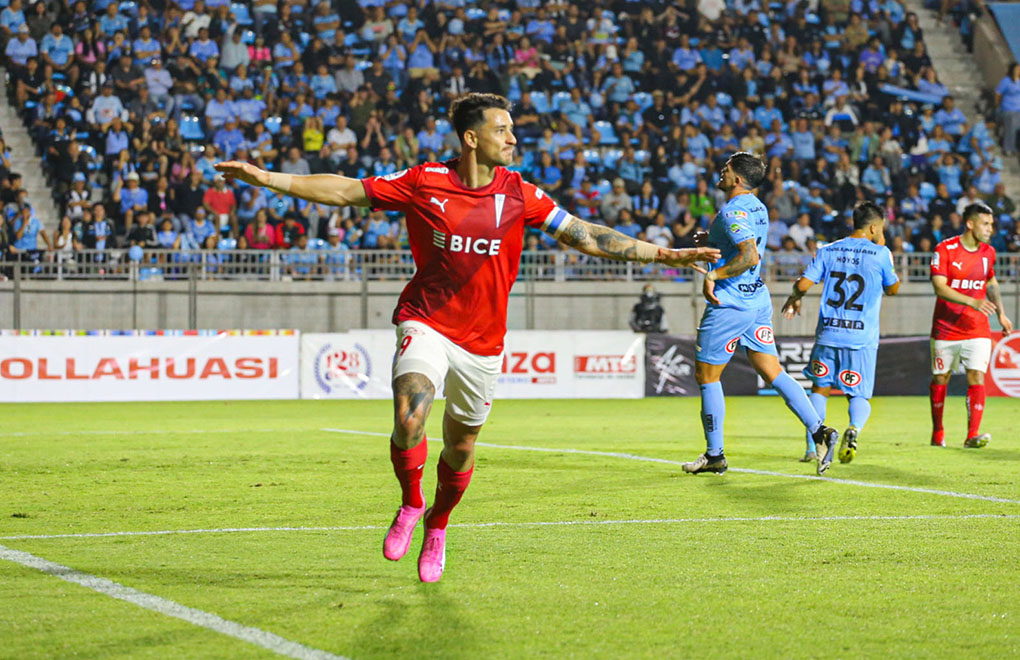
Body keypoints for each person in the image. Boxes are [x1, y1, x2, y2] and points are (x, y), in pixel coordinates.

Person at [215, 93, 719, 583]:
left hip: (483, 342)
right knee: (410, 416)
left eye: (513, 130)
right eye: (503, 130)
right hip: (426, 319)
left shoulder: (520, 193)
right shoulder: (424, 181)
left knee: (460, 445)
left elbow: (586, 235)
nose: (513, 138)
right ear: (471, 138)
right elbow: (344, 190)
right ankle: (412, 503)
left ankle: (438, 522)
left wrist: (666, 255)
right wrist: (267, 179)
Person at [682, 152, 840, 477]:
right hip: (756, 299)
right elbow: (744, 242)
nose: (721, 172)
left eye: (725, 169)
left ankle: (715, 455)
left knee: (707, 377)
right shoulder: (757, 206)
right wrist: (709, 242)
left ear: (737, 179)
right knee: (773, 372)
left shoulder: (733, 209)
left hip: (731, 303)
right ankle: (820, 431)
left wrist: (714, 275)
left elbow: (750, 255)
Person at [781, 201, 901, 464]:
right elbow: (892, 289)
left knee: (820, 388)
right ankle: (854, 428)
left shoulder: (828, 250)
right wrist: (884, 252)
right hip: (861, 339)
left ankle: (813, 448)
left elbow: (802, 283)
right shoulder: (880, 254)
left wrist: (795, 297)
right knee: (858, 393)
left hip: (828, 335)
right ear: (874, 227)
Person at [928, 203, 1014, 448]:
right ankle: (938, 432)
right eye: (986, 224)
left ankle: (972, 435)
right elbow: (939, 286)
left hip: (977, 327)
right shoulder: (945, 249)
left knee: (976, 375)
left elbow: (991, 282)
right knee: (940, 377)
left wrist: (1002, 314)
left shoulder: (988, 252)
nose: (990, 229)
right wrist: (972, 301)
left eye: (991, 224)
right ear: (970, 223)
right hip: (946, 327)